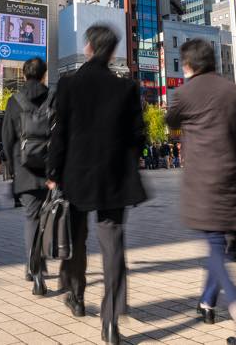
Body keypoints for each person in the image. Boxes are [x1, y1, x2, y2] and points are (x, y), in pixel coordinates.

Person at [47, 24, 146, 345]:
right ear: (112, 51)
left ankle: (76, 295)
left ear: (88, 46)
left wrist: (53, 172)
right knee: (113, 247)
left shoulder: (68, 85)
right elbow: (137, 137)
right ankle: (111, 322)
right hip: (115, 178)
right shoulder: (127, 88)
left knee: (75, 239)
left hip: (76, 176)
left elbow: (59, 134)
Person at [166, 39, 236, 345]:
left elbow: (170, 122)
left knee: (215, 250)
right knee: (220, 248)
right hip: (235, 181)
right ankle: (207, 303)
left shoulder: (182, 94)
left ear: (188, 65)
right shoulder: (232, 91)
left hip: (204, 184)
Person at [1, 56, 52, 296]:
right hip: (51, 170)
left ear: (24, 75)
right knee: (48, 219)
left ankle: (35, 273)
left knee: (31, 219)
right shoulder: (54, 97)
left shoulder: (14, 101)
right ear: (44, 75)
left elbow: (7, 138)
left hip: (25, 169)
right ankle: (39, 266)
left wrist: (11, 168)